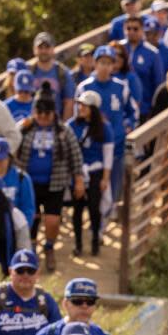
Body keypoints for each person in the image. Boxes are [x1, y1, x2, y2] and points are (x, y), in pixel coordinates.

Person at [16, 85, 85, 270]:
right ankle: (30, 251)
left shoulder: (63, 131)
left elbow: (76, 155)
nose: (43, 118)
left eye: (47, 114)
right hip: (29, 183)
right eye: (39, 113)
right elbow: (11, 144)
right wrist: (21, 127)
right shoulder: (26, 129)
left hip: (55, 183)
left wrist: (79, 180)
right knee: (31, 218)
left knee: (52, 220)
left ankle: (49, 246)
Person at [76, 46, 134, 203]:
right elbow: (78, 115)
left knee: (114, 183)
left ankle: (113, 210)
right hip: (92, 146)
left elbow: (132, 110)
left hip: (116, 142)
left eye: (109, 63)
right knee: (93, 187)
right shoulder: (84, 87)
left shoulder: (121, 86)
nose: (105, 66)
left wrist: (128, 125)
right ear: (95, 63)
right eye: (102, 62)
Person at [67, 90, 113, 255]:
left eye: (85, 105)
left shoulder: (104, 128)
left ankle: (95, 241)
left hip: (95, 172)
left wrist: (105, 178)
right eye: (80, 104)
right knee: (77, 209)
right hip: (78, 173)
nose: (81, 108)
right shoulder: (72, 125)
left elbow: (108, 154)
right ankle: (78, 244)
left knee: (94, 208)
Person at [26, 31, 75, 120]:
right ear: (34, 49)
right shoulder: (28, 72)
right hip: (32, 124)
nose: (44, 51)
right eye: (40, 47)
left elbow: (69, 102)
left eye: (47, 47)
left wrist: (63, 127)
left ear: (53, 49)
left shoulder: (63, 72)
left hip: (55, 124)